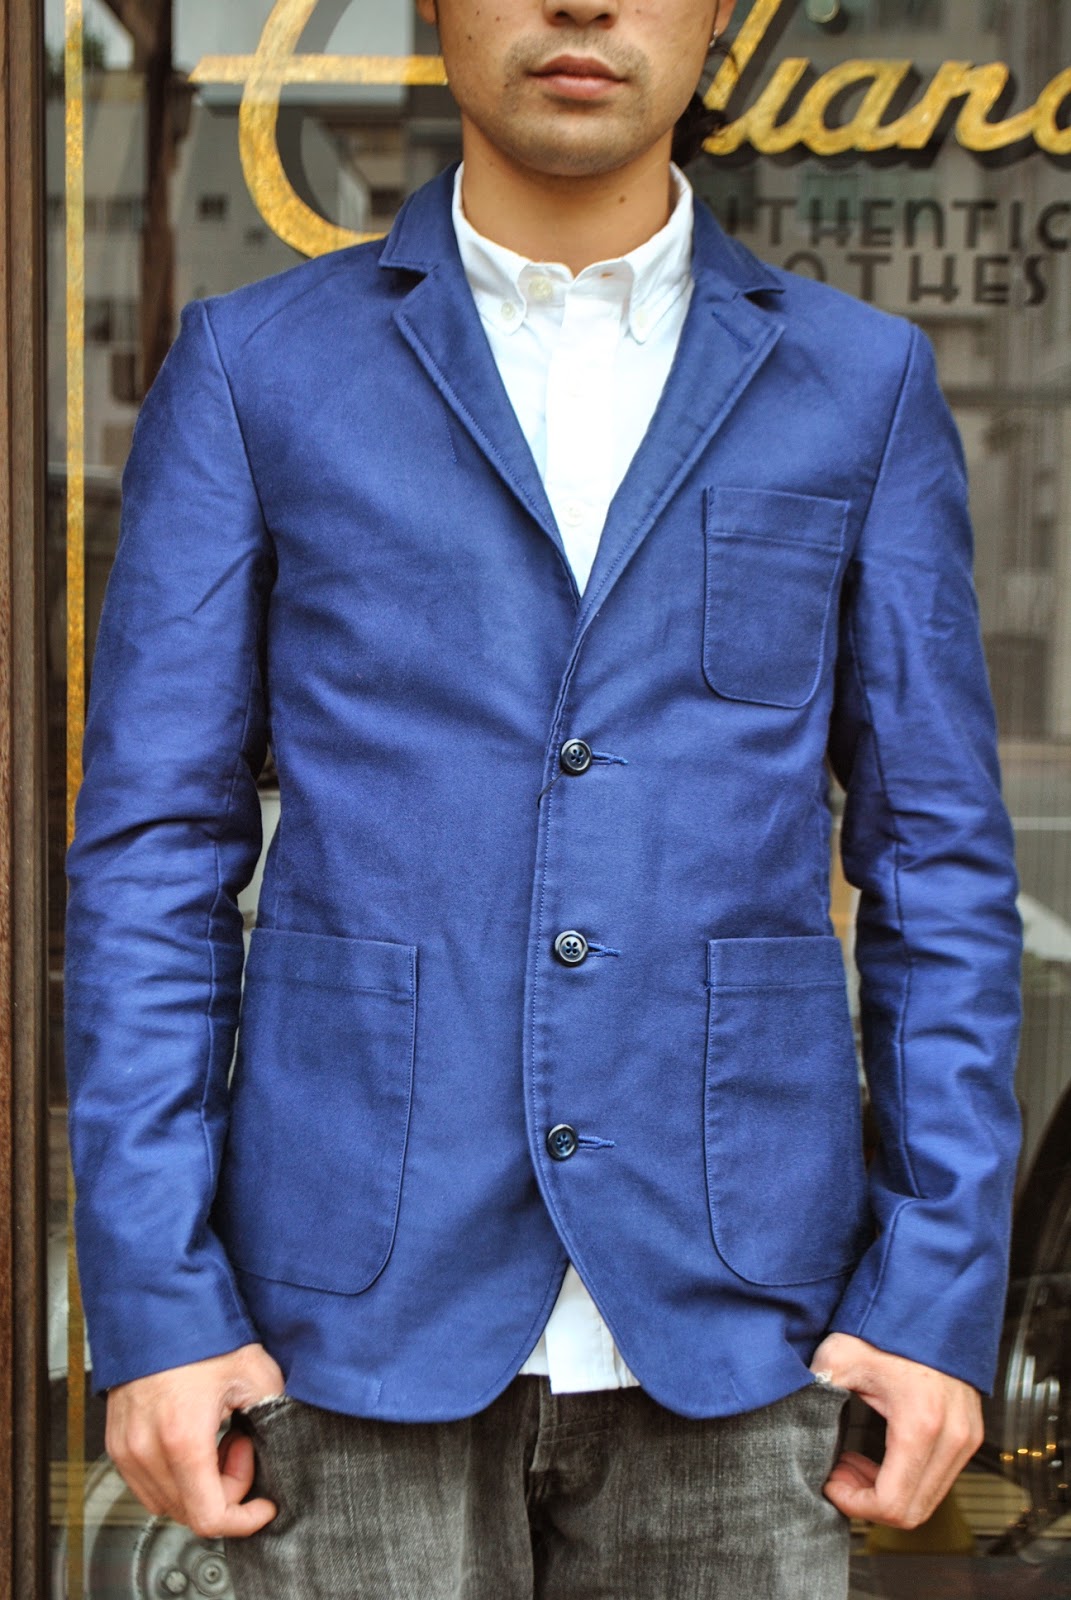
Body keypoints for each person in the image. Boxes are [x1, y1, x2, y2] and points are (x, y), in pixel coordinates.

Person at [64, 0, 1023, 1595]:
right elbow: (156, 863)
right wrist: (159, 1303)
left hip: (749, 1320)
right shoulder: (256, 368)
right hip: (343, 1316)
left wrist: (932, 1297)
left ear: (720, 14)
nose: (583, 3)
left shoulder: (858, 383)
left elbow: (942, 870)